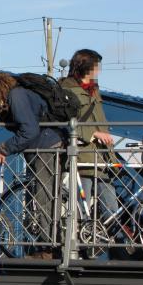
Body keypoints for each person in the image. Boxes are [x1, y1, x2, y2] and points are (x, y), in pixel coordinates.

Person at [0, 69, 65, 258]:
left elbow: (29, 130)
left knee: (44, 195)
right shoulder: (13, 97)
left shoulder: (16, 96)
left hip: (46, 145)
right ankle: (51, 243)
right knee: (44, 193)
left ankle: (48, 249)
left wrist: (5, 148)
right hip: (43, 144)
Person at [59, 49, 118, 257]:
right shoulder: (66, 89)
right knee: (81, 211)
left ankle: (100, 247)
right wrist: (93, 133)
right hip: (82, 155)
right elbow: (67, 122)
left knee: (111, 208)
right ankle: (81, 250)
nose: (99, 70)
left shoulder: (94, 89)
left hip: (101, 156)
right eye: (96, 66)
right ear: (86, 66)